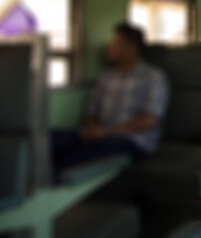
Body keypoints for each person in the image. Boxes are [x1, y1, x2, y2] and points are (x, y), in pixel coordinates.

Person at [52, 22, 169, 176]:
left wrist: (107, 132)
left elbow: (150, 120)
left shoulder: (153, 78)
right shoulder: (105, 78)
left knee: (88, 153)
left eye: (116, 43)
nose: (110, 47)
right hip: (99, 134)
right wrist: (93, 129)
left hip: (132, 140)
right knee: (50, 139)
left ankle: (56, 177)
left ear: (132, 47)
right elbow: (90, 113)